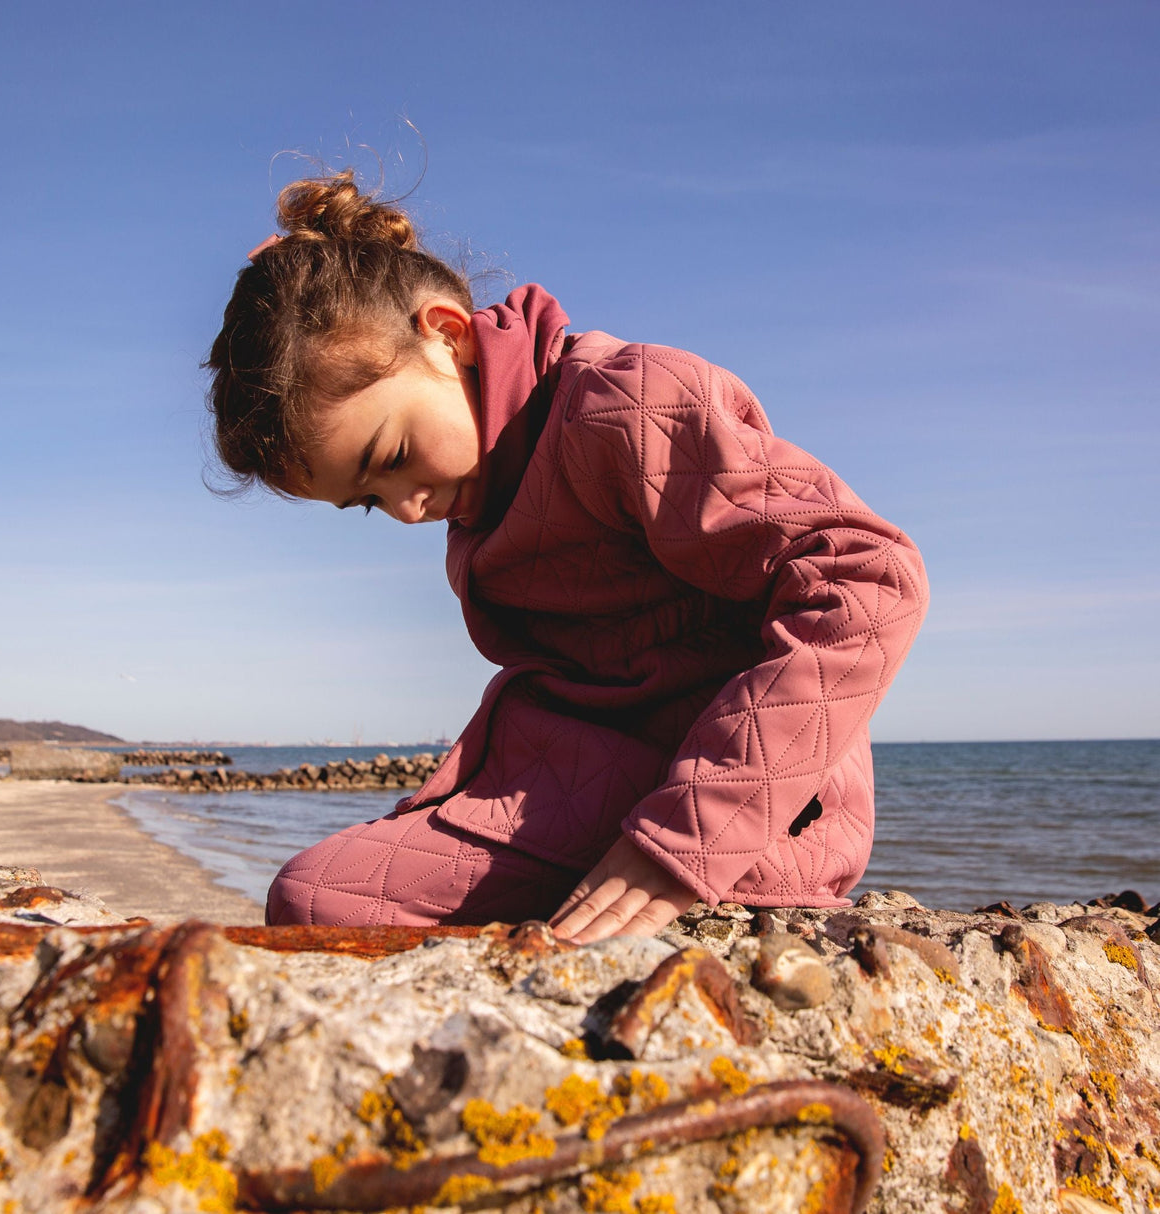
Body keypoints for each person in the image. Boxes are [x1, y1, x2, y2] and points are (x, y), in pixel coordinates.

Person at [206, 168, 928, 944]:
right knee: (317, 896)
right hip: (575, 785)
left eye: (393, 454)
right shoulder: (482, 491)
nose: (409, 509)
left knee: (320, 903)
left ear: (447, 337)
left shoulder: (622, 404)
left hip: (755, 812)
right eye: (369, 501)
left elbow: (866, 574)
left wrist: (685, 840)